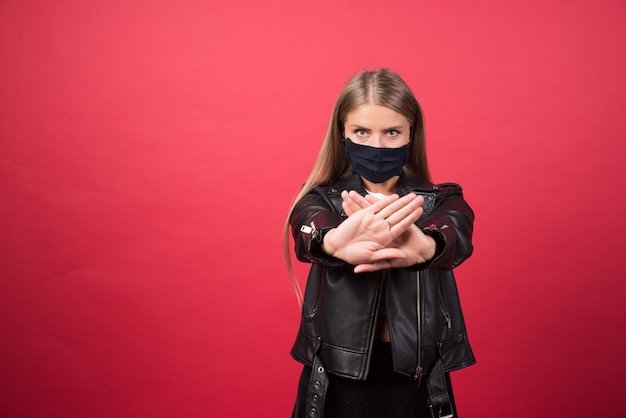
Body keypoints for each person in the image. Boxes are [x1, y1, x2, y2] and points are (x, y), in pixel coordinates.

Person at [283, 68, 475, 418]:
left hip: (417, 378)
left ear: (410, 134)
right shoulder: (319, 199)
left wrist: (428, 247)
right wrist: (333, 242)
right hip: (336, 378)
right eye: (361, 131)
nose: (377, 145)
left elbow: (456, 231)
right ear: (342, 133)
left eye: (391, 132)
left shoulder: (442, 199)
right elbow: (306, 227)